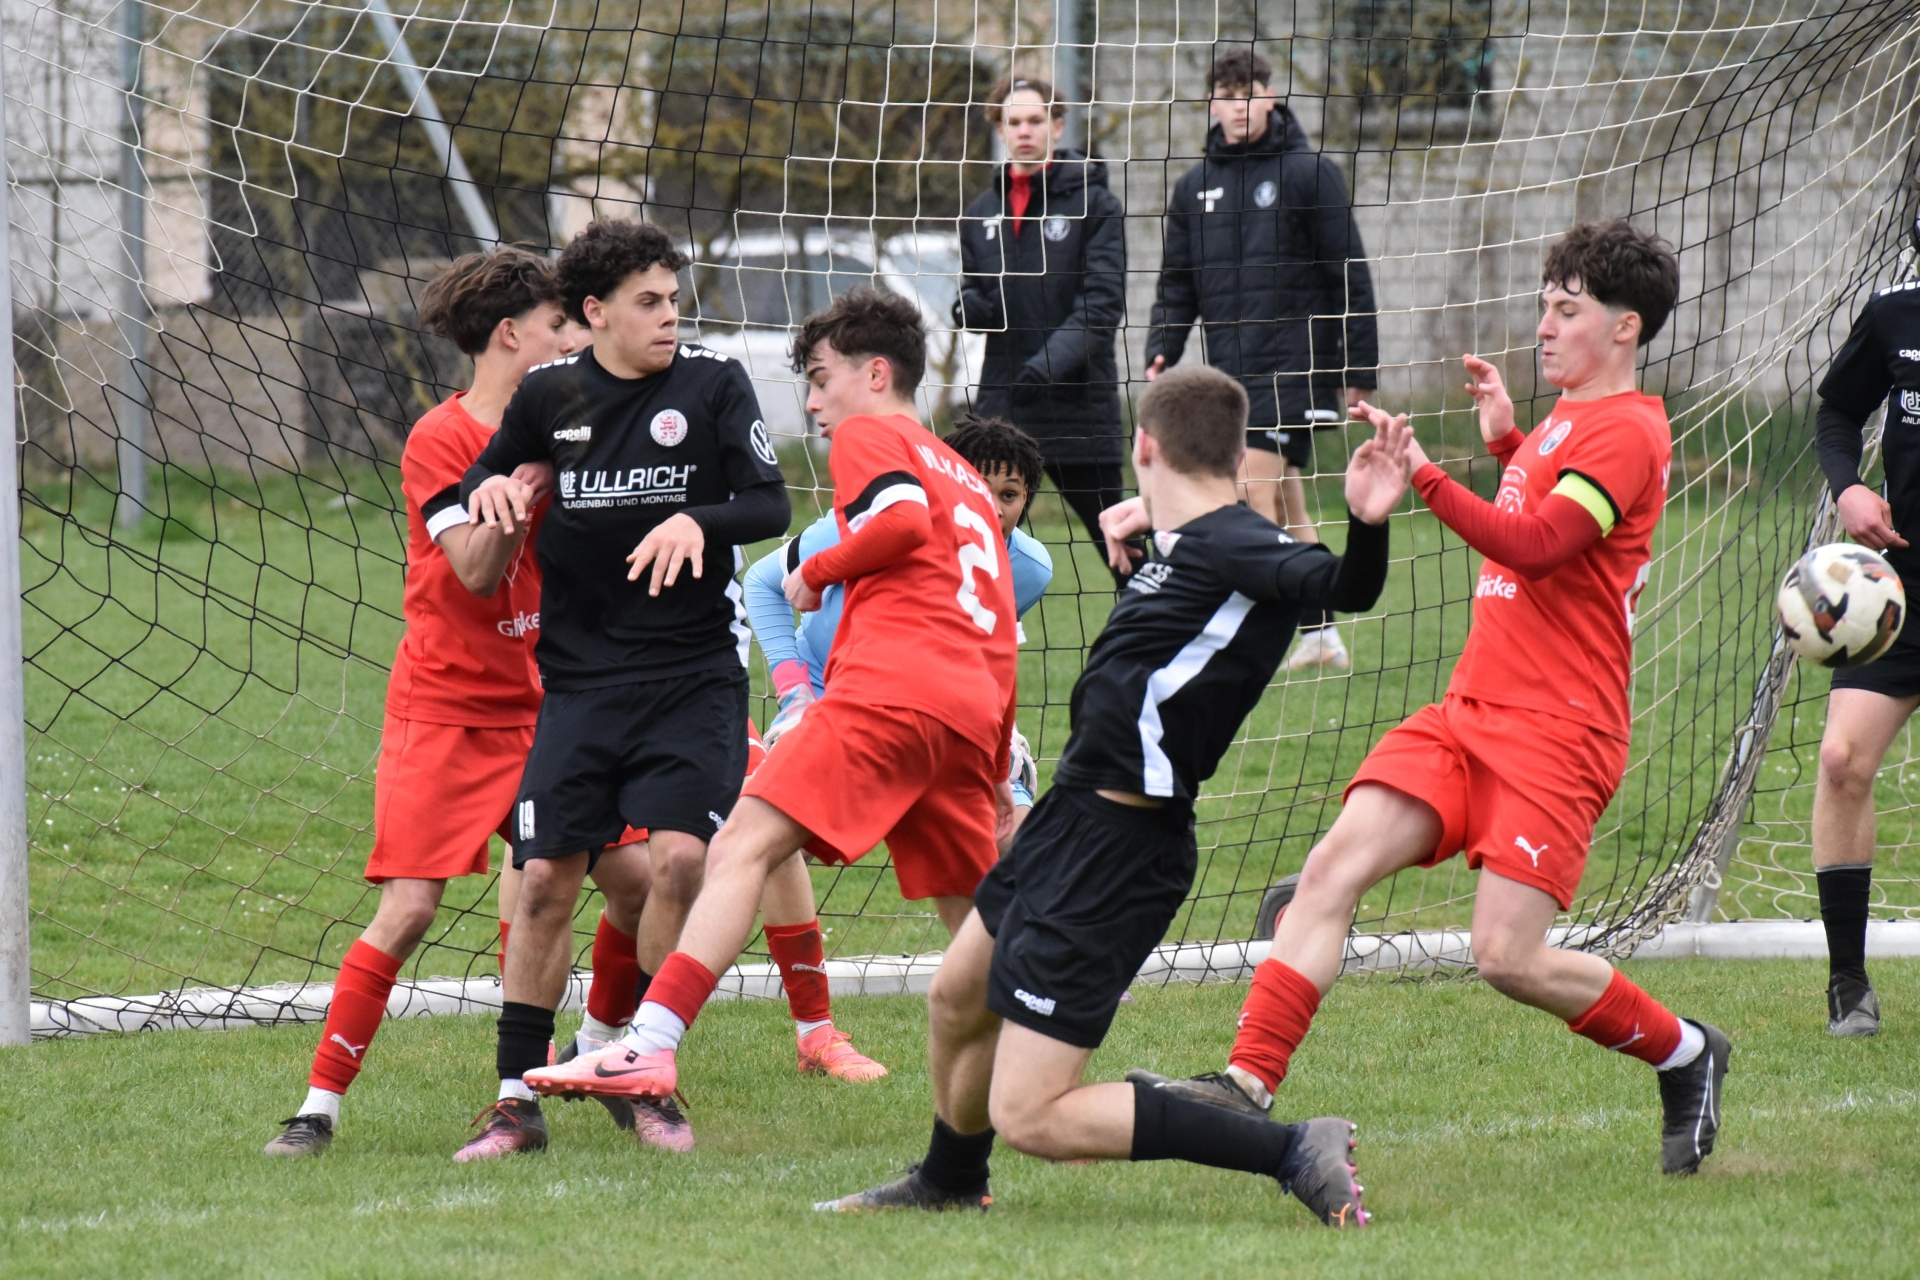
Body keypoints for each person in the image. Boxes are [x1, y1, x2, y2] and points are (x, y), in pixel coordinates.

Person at [1147, 221, 1732, 1179]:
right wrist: (1505, 438)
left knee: (1507, 957)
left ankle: (1687, 1052)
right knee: (1330, 869)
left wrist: (1419, 473)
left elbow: (1539, 544)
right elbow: (1542, 495)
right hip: (1470, 712)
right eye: (1545, 305)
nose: (1544, 325)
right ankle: (1245, 1083)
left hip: (1560, 734)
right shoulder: (1568, 420)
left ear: (1625, 328)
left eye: (1567, 310)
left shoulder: (1629, 430)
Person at [817, 364, 1404, 1222]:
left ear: (1143, 446)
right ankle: (949, 1180)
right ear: (1234, 452)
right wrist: (1144, 534)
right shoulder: (1185, 542)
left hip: (1122, 846)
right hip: (1070, 814)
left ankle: (1289, 1148)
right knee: (956, 994)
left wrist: (1366, 522)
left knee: (1031, 1115)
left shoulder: (1240, 543)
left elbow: (1342, 585)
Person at [520, 286, 1020, 1111]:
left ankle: (646, 1046)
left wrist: (815, 572)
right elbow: (996, 626)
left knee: (741, 847)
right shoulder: (965, 477)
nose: (815, 405)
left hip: (890, 695)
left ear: (877, 374)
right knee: (979, 919)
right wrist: (995, 765)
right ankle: (1048, 1063)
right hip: (967, 715)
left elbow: (898, 520)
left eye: (821, 380)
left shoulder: (872, 433)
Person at [454, 219, 791, 1159]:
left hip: (693, 677)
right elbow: (479, 479)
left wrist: (697, 520)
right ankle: (514, 1102)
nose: (670, 317)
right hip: (581, 683)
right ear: (595, 312)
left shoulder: (713, 384)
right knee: (543, 883)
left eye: (674, 300)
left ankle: (644, 1071)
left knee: (680, 863)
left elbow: (769, 502)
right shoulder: (549, 394)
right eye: (649, 302)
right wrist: (494, 494)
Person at [263, 247, 594, 1157]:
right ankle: (317, 1109)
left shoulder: (575, 427)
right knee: (409, 909)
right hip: (445, 707)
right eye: (559, 325)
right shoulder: (443, 440)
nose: (572, 339)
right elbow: (478, 571)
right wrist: (520, 491)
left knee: (629, 879)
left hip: (548, 704)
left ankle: (574, 1066)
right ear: (511, 335)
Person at [1145, 47, 1379, 671]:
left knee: (1247, 493)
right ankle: (1320, 632)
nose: (1239, 105)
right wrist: (1162, 346)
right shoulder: (1193, 188)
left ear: (1270, 97)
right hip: (1233, 377)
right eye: (1227, 95)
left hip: (1296, 368)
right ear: (1212, 104)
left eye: (1250, 92)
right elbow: (1177, 283)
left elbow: (1349, 275)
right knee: (1283, 502)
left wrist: (1358, 370)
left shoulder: (1310, 173)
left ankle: (1241, 633)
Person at [746, 413, 1052, 850]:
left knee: (1013, 837)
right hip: (832, 689)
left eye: (1009, 494)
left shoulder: (1029, 570)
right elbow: (761, 583)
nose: (993, 507)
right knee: (770, 839)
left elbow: (985, 654)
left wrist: (1001, 735)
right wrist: (796, 693)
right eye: (978, 487)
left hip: (936, 704)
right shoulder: (871, 523)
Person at [1803, 208, 1920, 1038]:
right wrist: (1848, 485)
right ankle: (1849, 983)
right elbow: (1836, 414)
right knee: (1842, 760)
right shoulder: (1894, 314)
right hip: (1900, 591)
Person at [955, 75, 1127, 573]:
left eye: (1035, 120)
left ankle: (1157, 621)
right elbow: (974, 292)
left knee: (1122, 547)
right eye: (1014, 122)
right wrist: (970, 307)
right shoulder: (979, 214)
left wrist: (1046, 366)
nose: (1025, 130)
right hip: (1004, 410)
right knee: (980, 552)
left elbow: (1101, 306)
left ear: (1057, 125)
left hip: (1079, 407)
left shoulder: (1095, 204)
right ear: (1000, 130)